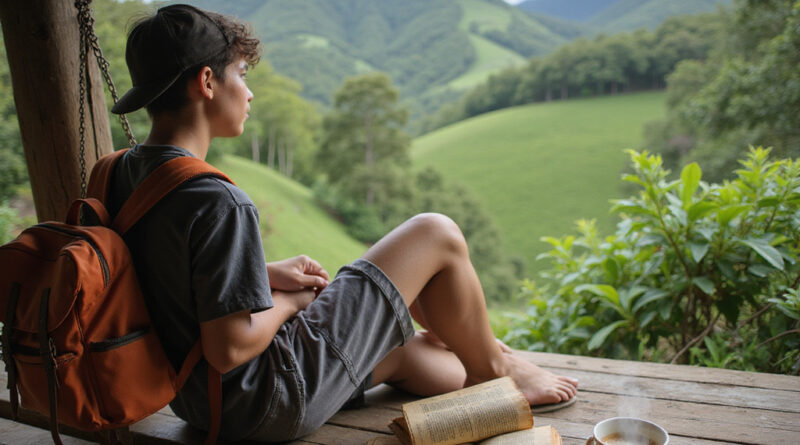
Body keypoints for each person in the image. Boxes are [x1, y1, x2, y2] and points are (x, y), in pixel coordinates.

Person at [108, 4, 578, 443]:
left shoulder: (116, 173)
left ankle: (495, 364)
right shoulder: (218, 199)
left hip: (197, 401)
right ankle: (495, 374)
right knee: (435, 233)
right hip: (264, 398)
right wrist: (292, 299)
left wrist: (264, 275)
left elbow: (169, 272)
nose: (248, 92)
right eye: (242, 74)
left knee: (404, 348)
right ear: (207, 82)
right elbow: (228, 348)